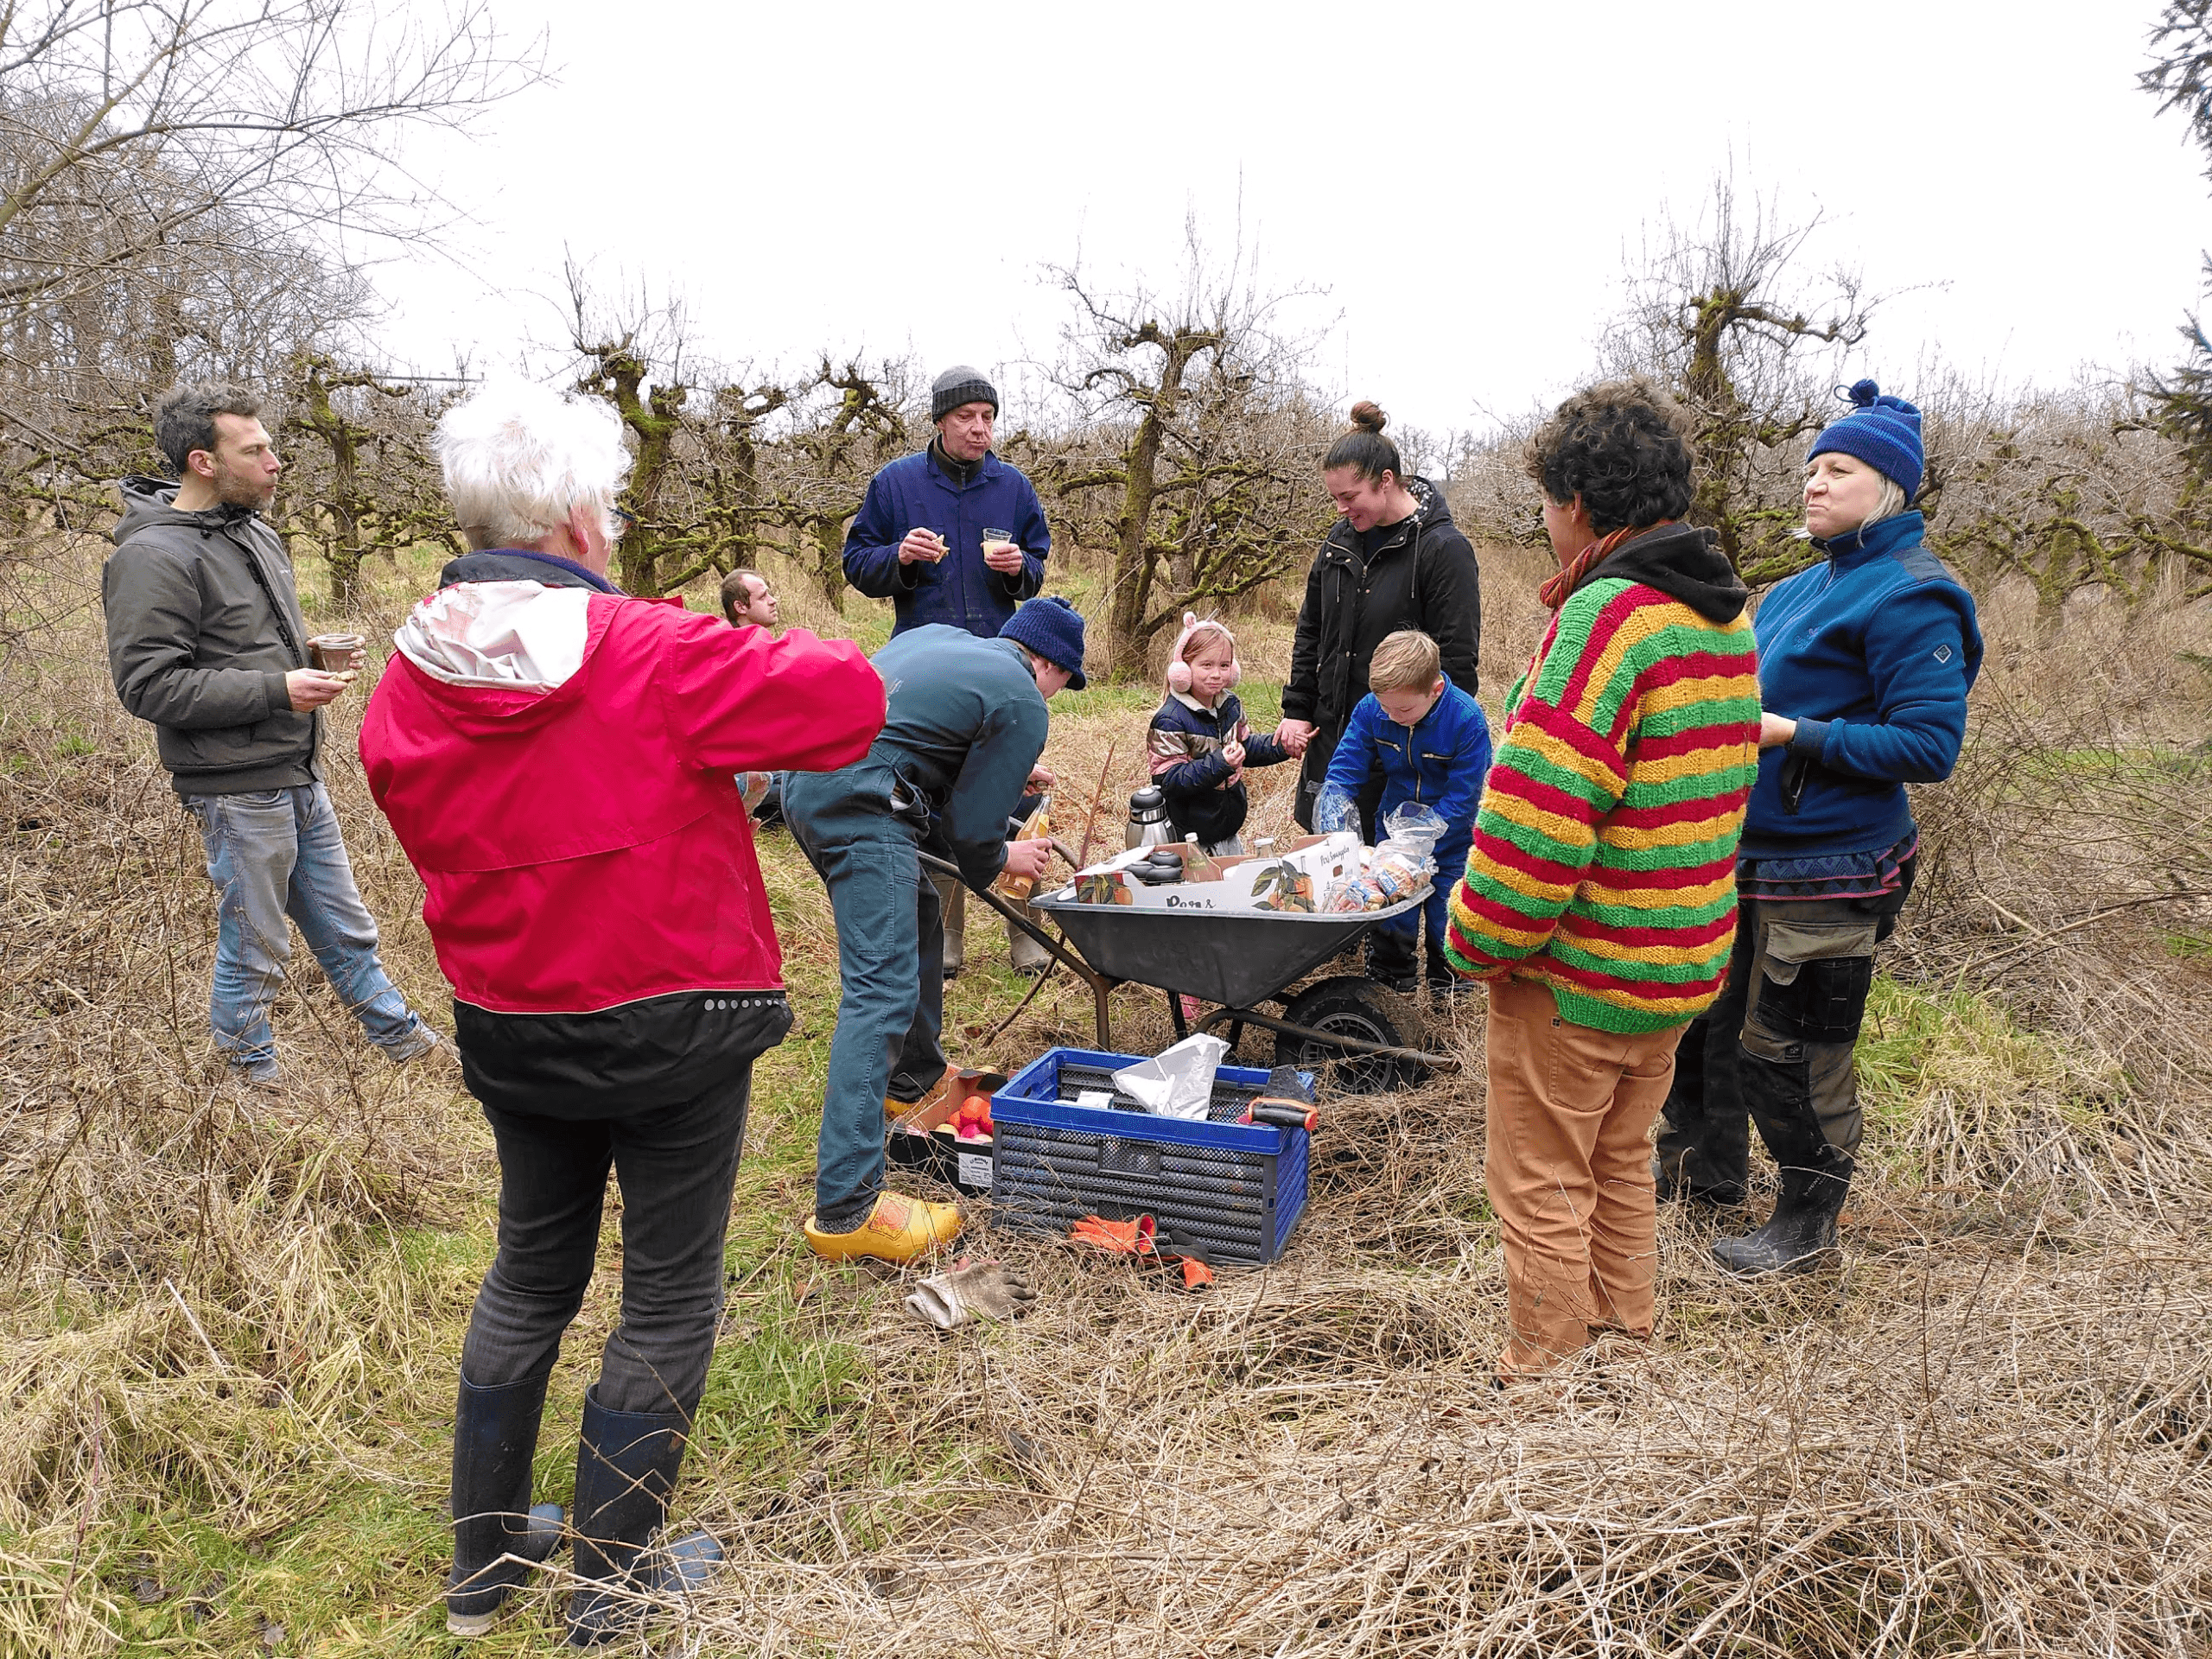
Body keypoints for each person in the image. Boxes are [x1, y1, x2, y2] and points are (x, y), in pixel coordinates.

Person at [357, 380, 885, 1643]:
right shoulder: (649, 647)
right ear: (583, 520)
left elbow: (391, 779)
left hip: (510, 1016)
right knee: (664, 1299)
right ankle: (610, 1585)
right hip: (674, 1018)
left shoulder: (411, 667)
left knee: (530, 1275)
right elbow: (842, 701)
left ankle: (483, 1569)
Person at [1442, 378, 1760, 1381]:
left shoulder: (1608, 618)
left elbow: (1539, 815)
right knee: (1621, 1161)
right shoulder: (1721, 620)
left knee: (1540, 1180)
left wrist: (1476, 940)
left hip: (1581, 974)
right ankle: (1625, 1339)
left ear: (1580, 504)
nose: (1542, 521)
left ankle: (1541, 1377)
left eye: (1544, 500)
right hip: (1677, 964)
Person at [1657, 381, 1982, 1277]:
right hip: (1745, 852)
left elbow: (1927, 743)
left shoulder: (1915, 596)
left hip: (1835, 866)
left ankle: (1804, 1229)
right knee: (1705, 1025)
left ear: (1890, 487)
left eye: (1837, 470)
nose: (1813, 484)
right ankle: (1700, 1180)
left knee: (1791, 1054)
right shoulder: (1801, 586)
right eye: (1810, 468)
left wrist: (1791, 733)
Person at [101, 382, 435, 1086]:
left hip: (296, 769)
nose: (275, 461)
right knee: (256, 946)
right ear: (203, 461)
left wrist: (306, 659)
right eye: (254, 451)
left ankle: (407, 1048)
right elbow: (149, 686)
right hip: (234, 786)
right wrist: (279, 688)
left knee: (346, 928)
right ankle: (249, 1089)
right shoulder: (152, 557)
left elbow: (236, 648)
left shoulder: (253, 531)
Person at [782, 595, 1086, 1265]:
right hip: (864, 802)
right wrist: (1008, 856)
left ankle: (911, 1081)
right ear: (1050, 664)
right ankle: (848, 1205)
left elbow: (918, 739)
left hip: (805, 782)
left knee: (918, 908)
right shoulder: (1024, 699)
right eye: (1066, 682)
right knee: (880, 994)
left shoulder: (943, 638)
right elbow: (973, 842)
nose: (1059, 696)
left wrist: (999, 767)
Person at [843, 365, 1055, 977]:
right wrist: (898, 558)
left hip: (1004, 666)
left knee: (1014, 794)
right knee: (931, 806)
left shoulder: (1012, 486)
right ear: (940, 421)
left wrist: (1020, 570)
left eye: (988, 418)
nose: (979, 429)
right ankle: (947, 943)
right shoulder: (896, 483)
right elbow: (858, 562)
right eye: (967, 418)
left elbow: (1038, 564)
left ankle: (1026, 935)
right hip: (927, 671)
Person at [1280, 401, 1483, 837]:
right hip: (1335, 739)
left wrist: (1432, 750)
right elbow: (1311, 630)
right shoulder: (1338, 541)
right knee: (1329, 866)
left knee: (1393, 877)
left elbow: (1457, 662)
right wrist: (1297, 708)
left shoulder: (1443, 550)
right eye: (1334, 498)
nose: (1340, 509)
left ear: (1385, 481)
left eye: (1348, 497)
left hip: (1403, 748)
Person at [1316, 630, 1492, 997]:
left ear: (1435, 690)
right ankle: (1391, 992)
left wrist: (1421, 836)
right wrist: (1334, 817)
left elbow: (1463, 798)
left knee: (1448, 922)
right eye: (1387, 709)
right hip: (1391, 836)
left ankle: (1451, 1001)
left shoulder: (1466, 721)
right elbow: (1344, 770)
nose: (1393, 718)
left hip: (1452, 842)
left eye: (1404, 710)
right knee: (1391, 918)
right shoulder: (1371, 711)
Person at [1146, 612, 1293, 855]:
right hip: (1191, 841)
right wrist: (1221, 762)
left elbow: (1245, 746)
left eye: (1224, 666)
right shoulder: (1169, 720)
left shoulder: (1230, 705)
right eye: (1206, 665)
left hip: (1227, 830)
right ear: (1182, 669)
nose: (1217, 674)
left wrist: (1283, 745)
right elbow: (1169, 782)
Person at [719, 567, 779, 631]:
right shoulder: (735, 640)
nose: (773, 601)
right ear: (740, 607)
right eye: (762, 597)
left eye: (769, 593)